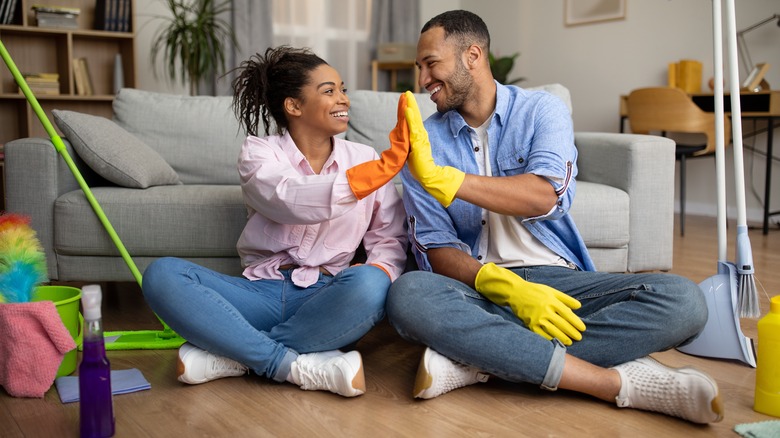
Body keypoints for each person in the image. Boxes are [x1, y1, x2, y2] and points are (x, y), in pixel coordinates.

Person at [387, 10, 723, 424]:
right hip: (479, 288)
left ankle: (480, 360)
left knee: (684, 302)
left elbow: (547, 195)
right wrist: (506, 288)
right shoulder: (422, 140)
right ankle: (612, 383)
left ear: (472, 55)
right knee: (409, 294)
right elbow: (435, 249)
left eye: (430, 64)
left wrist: (450, 181)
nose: (422, 80)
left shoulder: (539, 110)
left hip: (559, 281)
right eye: (419, 68)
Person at [143, 46, 409, 397]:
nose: (343, 98)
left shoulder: (364, 158)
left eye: (343, 88)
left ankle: (236, 355)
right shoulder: (259, 152)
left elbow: (389, 240)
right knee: (161, 275)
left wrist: (376, 273)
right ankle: (289, 363)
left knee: (373, 282)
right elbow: (287, 198)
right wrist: (369, 177)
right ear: (294, 106)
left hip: (326, 296)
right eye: (329, 91)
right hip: (259, 292)